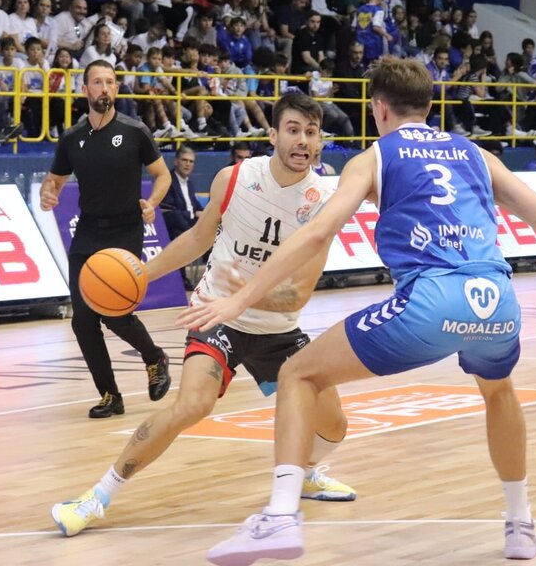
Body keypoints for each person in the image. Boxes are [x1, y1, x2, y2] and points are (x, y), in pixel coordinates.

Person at [183, 58, 536, 565]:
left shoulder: (374, 157)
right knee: (500, 393)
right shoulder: (476, 153)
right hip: (498, 302)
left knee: (297, 375)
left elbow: (317, 233)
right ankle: (521, 525)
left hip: (432, 301)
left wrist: (240, 297)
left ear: (378, 108)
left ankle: (280, 517)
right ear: (431, 106)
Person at [51, 94, 355, 538]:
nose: (302, 141)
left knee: (335, 426)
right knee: (192, 404)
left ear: (321, 140)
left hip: (277, 330)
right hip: (219, 320)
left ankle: (305, 472)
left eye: (311, 132)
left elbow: (296, 296)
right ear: (272, 135)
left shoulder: (327, 200)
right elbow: (198, 237)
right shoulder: (235, 179)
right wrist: (140, 273)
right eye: (293, 130)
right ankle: (96, 497)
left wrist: (240, 299)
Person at [39, 60, 174, 417]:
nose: (104, 89)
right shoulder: (72, 137)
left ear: (116, 89)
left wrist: (153, 204)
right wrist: (47, 195)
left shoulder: (134, 131)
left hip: (125, 229)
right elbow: (53, 181)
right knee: (82, 320)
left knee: (115, 313)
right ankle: (109, 395)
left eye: (110, 82)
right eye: (97, 83)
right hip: (87, 232)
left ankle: (154, 357)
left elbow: (163, 176)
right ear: (86, 90)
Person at [160, 145, 204, 241]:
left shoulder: (189, 184)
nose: (188, 164)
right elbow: (171, 213)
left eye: (191, 161)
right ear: (176, 161)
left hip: (191, 227)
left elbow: (197, 207)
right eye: (184, 160)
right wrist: (192, 215)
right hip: (176, 231)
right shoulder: (167, 181)